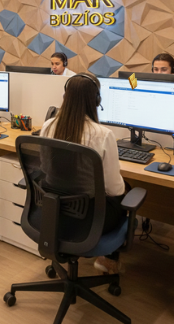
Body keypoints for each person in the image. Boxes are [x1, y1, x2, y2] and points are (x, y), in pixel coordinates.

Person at [40, 72, 125, 274]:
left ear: (65, 97)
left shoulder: (48, 126)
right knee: (126, 192)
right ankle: (107, 260)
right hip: (88, 220)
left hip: (54, 212)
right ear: (96, 101)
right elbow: (115, 189)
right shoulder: (103, 135)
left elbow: (44, 169)